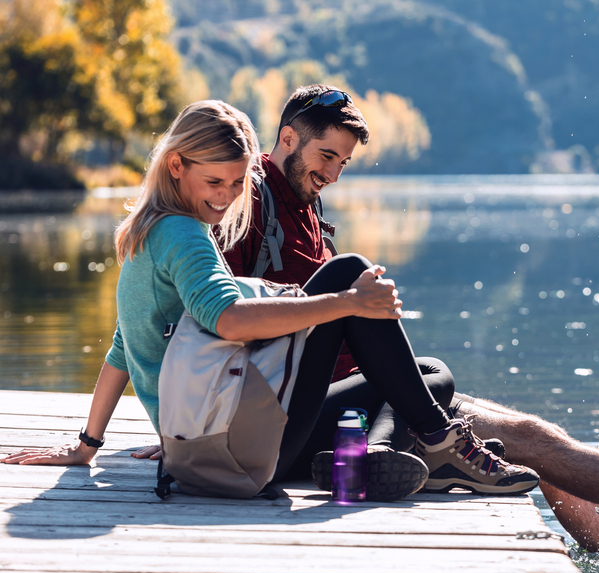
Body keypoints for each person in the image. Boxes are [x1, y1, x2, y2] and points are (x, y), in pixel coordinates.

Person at [222, 85, 599, 552]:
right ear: (287, 137)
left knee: (520, 428)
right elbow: (203, 313)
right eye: (327, 156)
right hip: (310, 417)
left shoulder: (305, 206)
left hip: (361, 400)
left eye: (344, 163)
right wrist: (192, 417)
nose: (334, 172)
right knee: (527, 438)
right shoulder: (248, 204)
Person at [0, 100, 540, 502]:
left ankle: (381, 452)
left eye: (238, 185)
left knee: (428, 373)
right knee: (353, 279)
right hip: (237, 449)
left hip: (203, 443)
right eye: (215, 181)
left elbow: (124, 347)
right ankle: (439, 443)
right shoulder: (183, 235)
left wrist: (87, 445)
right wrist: (347, 301)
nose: (228, 197)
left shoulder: (144, 233)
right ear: (175, 167)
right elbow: (230, 320)